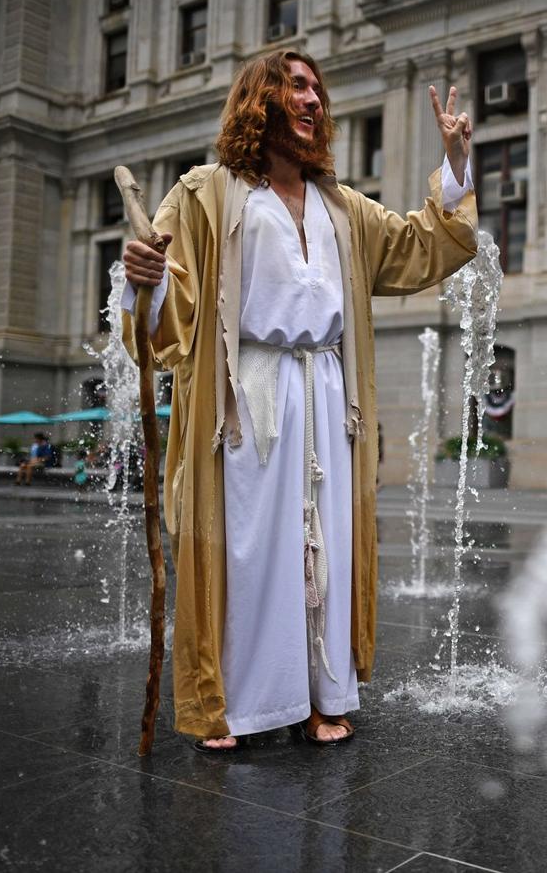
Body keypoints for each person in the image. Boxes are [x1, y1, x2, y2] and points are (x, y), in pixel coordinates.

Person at [120, 49, 476, 752]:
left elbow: (421, 246)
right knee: (254, 551)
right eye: (295, 86)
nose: (312, 100)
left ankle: (319, 696)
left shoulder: (340, 206)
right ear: (260, 99)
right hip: (248, 396)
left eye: (317, 89)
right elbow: (171, 303)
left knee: (324, 550)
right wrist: (147, 278)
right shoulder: (207, 192)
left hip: (328, 393)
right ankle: (237, 704)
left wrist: (456, 164)